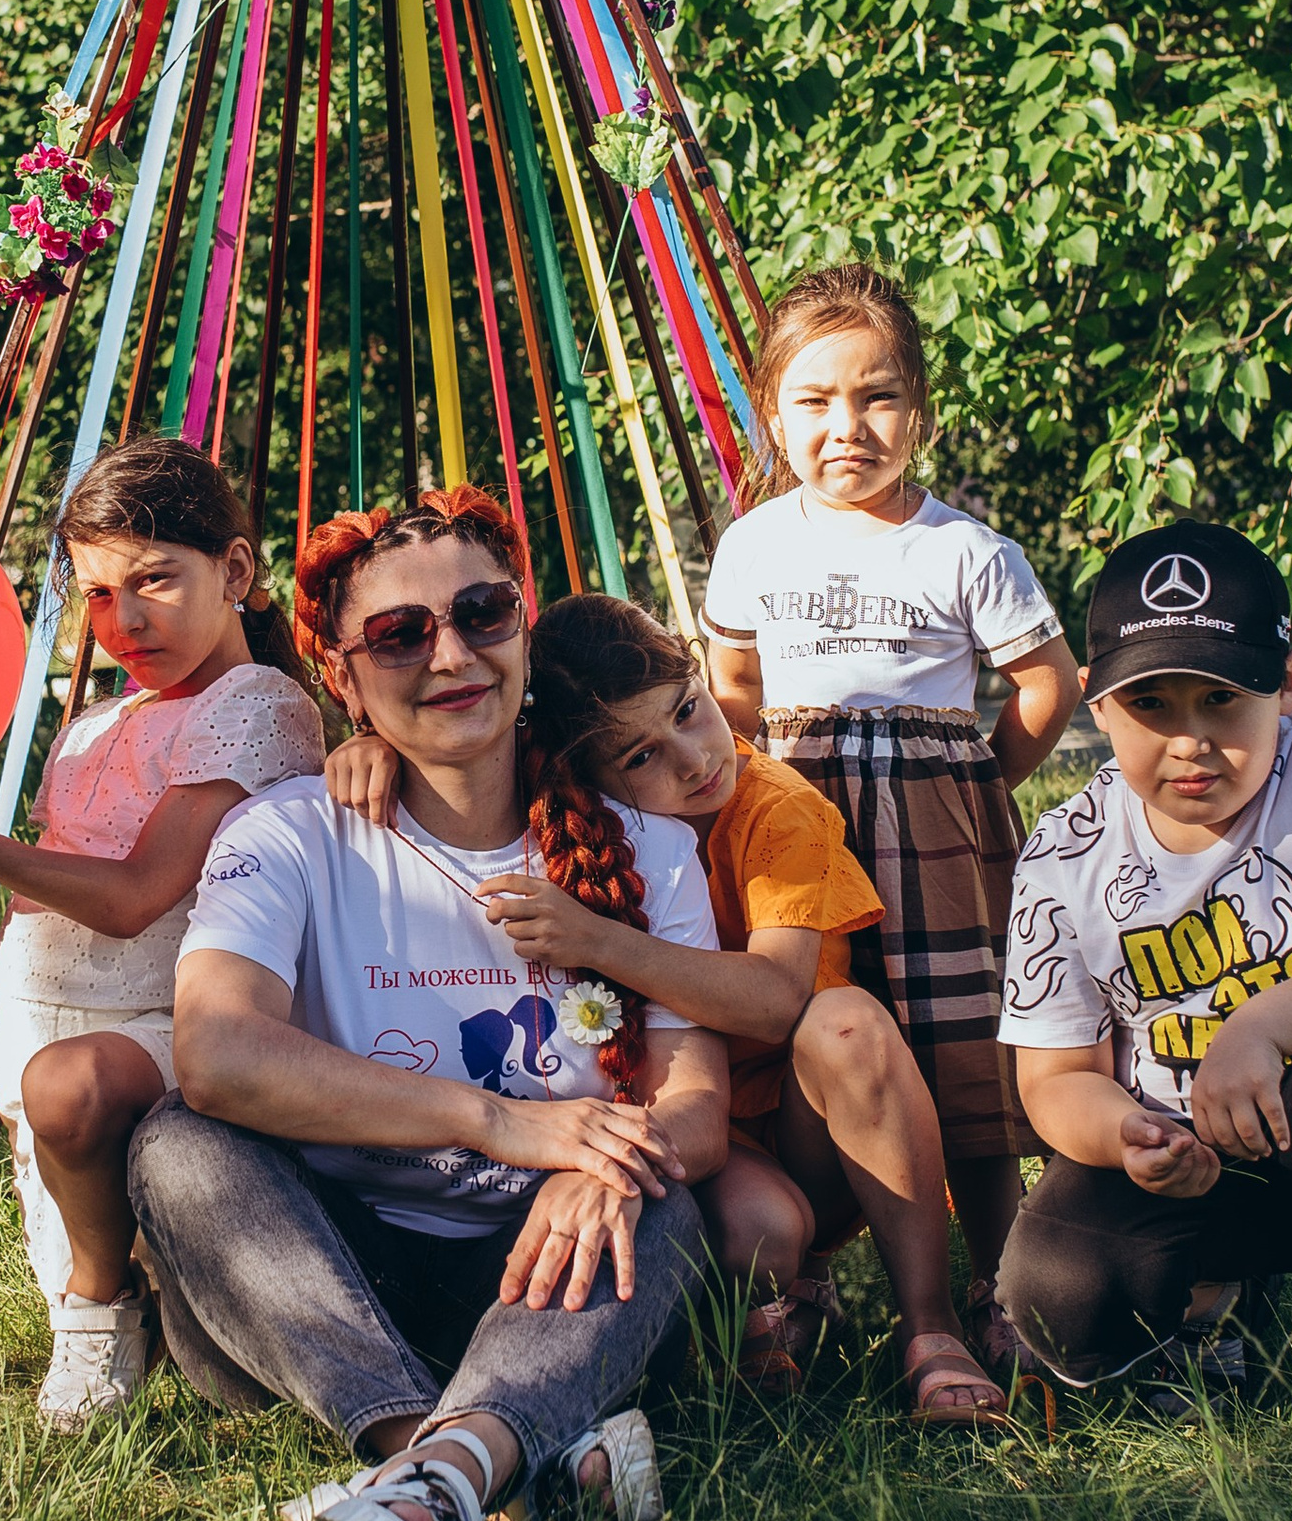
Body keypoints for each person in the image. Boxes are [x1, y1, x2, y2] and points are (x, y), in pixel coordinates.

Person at [124, 486, 730, 1521]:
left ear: (522, 625)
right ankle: (493, 1459)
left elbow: (696, 1098)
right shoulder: (290, 831)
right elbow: (213, 1050)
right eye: (400, 634)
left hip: (549, 1283)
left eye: (482, 611)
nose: (450, 652)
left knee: (662, 1192)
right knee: (178, 1141)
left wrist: (600, 1162)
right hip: (319, 1290)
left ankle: (428, 1482)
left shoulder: (645, 843)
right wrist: (496, 1120)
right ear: (343, 679)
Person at [324, 590, 1002, 1423]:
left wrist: (599, 942)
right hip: (686, 1126)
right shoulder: (579, 819)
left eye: (690, 709)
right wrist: (372, 744)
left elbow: (775, 1000)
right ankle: (749, 1317)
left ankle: (929, 1326)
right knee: (759, 1229)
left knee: (845, 1022)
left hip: (810, 1126)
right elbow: (471, 750)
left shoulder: (777, 811)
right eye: (641, 755)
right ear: (580, 770)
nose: (692, 759)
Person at [0, 439, 323, 1428]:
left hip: (168, 1032)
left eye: (153, 580)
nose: (122, 618)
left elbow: (133, 898)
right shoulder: (93, 725)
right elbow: (34, 913)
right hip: (41, 1044)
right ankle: (126, 1303)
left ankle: (102, 1310)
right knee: (59, 1088)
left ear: (237, 570)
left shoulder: (256, 706)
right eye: (94, 594)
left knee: (74, 1085)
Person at [990, 518, 1292, 1458]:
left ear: (1290, 681)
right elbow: (1053, 1079)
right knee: (1050, 1294)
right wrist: (1124, 1138)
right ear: (1096, 703)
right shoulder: (1063, 851)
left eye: (1223, 698)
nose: (1191, 741)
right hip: (1186, 1161)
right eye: (1153, 706)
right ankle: (1215, 1306)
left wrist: (1259, 1028)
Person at [702, 263, 1079, 1332]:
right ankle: (807, 1268)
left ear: (918, 409)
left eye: (876, 397)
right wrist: (749, 798)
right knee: (809, 1032)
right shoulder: (753, 545)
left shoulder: (963, 548)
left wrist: (973, 783)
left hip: (936, 841)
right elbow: (731, 686)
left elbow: (1047, 684)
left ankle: (999, 1275)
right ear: (773, 413)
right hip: (796, 826)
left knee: (958, 1044)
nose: (846, 427)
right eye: (814, 401)